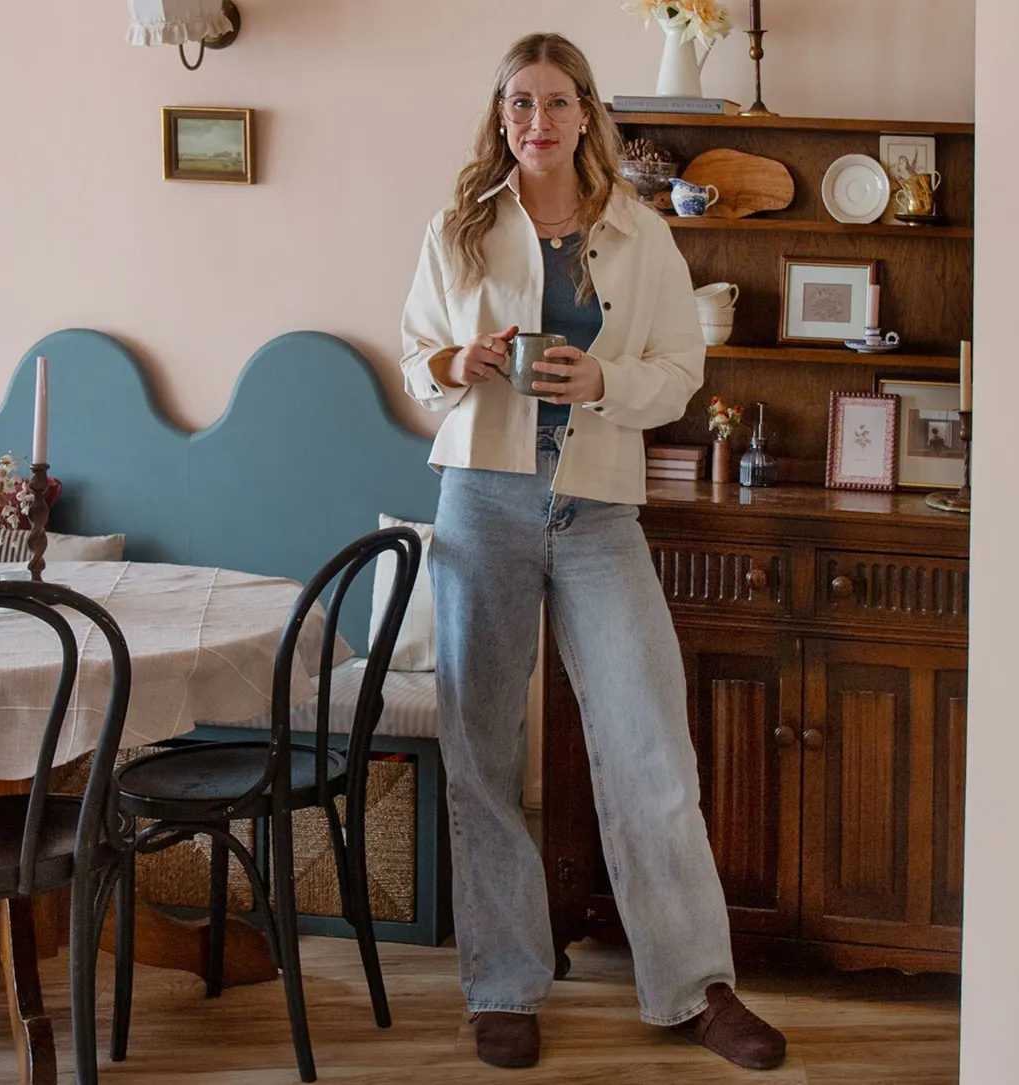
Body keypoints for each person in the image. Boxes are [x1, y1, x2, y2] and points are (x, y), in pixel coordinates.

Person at [398, 31, 787, 1074]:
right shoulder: (459, 231)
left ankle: (695, 987)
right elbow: (414, 364)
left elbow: (679, 369)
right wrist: (459, 357)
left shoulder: (640, 233)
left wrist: (604, 385)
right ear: (501, 116)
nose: (537, 120)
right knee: (482, 752)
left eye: (556, 101)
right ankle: (505, 983)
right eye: (518, 103)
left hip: (602, 510)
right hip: (482, 498)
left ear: (585, 114)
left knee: (651, 748)